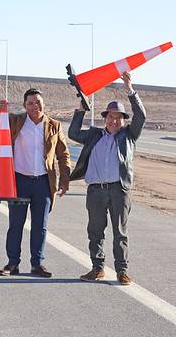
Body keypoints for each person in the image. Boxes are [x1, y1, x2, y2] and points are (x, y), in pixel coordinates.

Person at [69, 72, 144, 285]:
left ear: (123, 120)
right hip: (96, 191)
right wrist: (81, 110)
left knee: (120, 232)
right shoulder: (95, 135)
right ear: (105, 119)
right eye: (110, 116)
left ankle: (122, 271)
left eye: (118, 117)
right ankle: (97, 268)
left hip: (119, 190)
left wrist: (130, 89)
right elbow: (74, 133)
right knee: (95, 230)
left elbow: (141, 116)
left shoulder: (129, 135)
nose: (114, 120)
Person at [0, 88, 70, 278]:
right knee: (16, 224)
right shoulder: (16, 121)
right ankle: (12, 263)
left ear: (44, 103)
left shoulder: (54, 126)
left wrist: (65, 179)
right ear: (25, 106)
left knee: (40, 225)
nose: (35, 106)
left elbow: (63, 154)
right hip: (19, 181)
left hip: (43, 182)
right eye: (31, 103)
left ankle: (37, 264)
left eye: (38, 102)